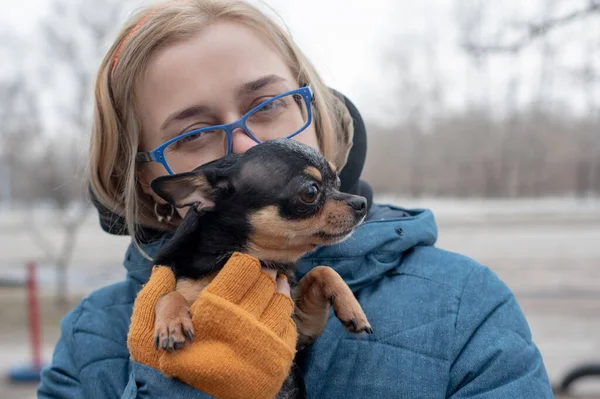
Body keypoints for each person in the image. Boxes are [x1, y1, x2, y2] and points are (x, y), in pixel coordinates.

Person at [37, 0, 554, 398]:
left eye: (268, 104)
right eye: (193, 134)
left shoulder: (464, 305)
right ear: (146, 177)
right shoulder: (91, 341)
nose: (249, 147)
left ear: (319, 106)